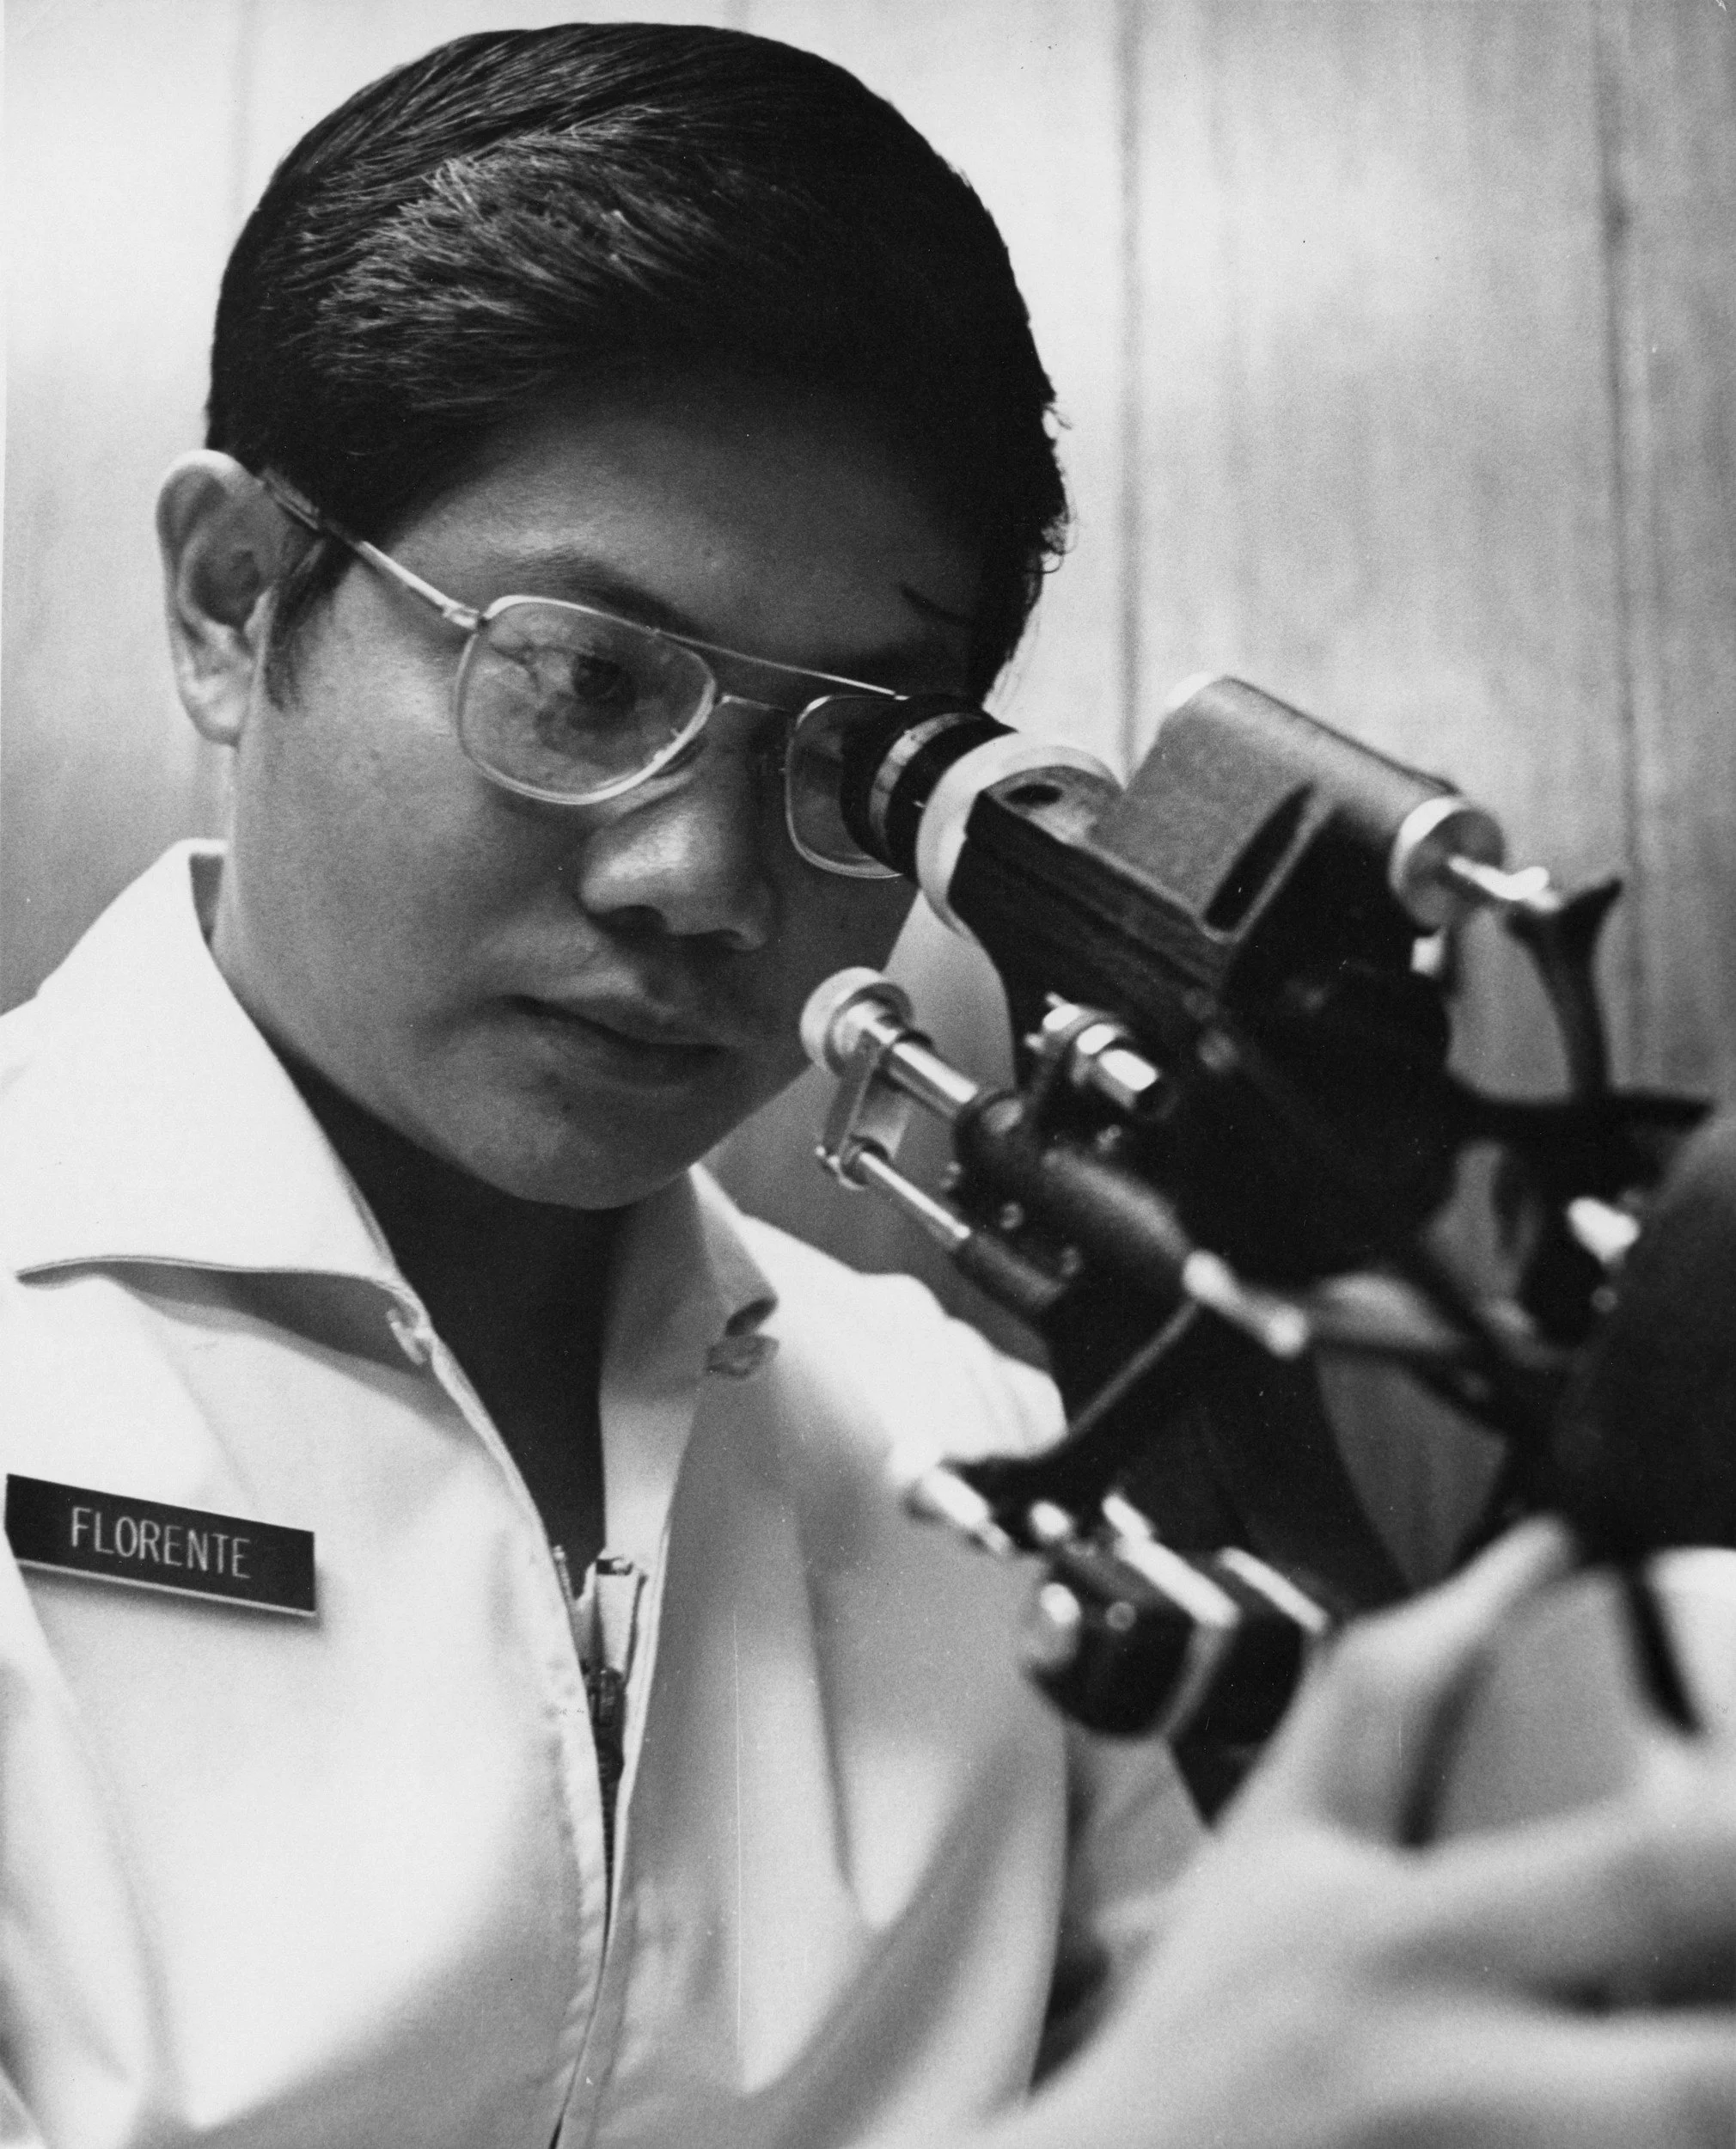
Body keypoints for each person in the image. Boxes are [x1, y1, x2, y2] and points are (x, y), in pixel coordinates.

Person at [0, 22, 1729, 2149]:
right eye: (582, 677)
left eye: (845, 764)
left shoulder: (985, 1449)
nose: (698, 880)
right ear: (231, 598)